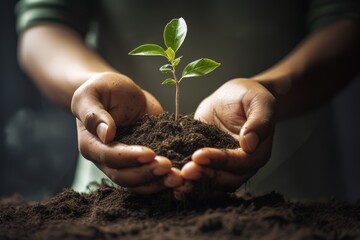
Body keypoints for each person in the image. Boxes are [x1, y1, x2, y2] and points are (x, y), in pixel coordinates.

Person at [15, 0, 360, 199]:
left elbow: (346, 18)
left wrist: (268, 90)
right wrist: (91, 85)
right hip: (119, 180)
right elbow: (44, 23)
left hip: (288, 191)